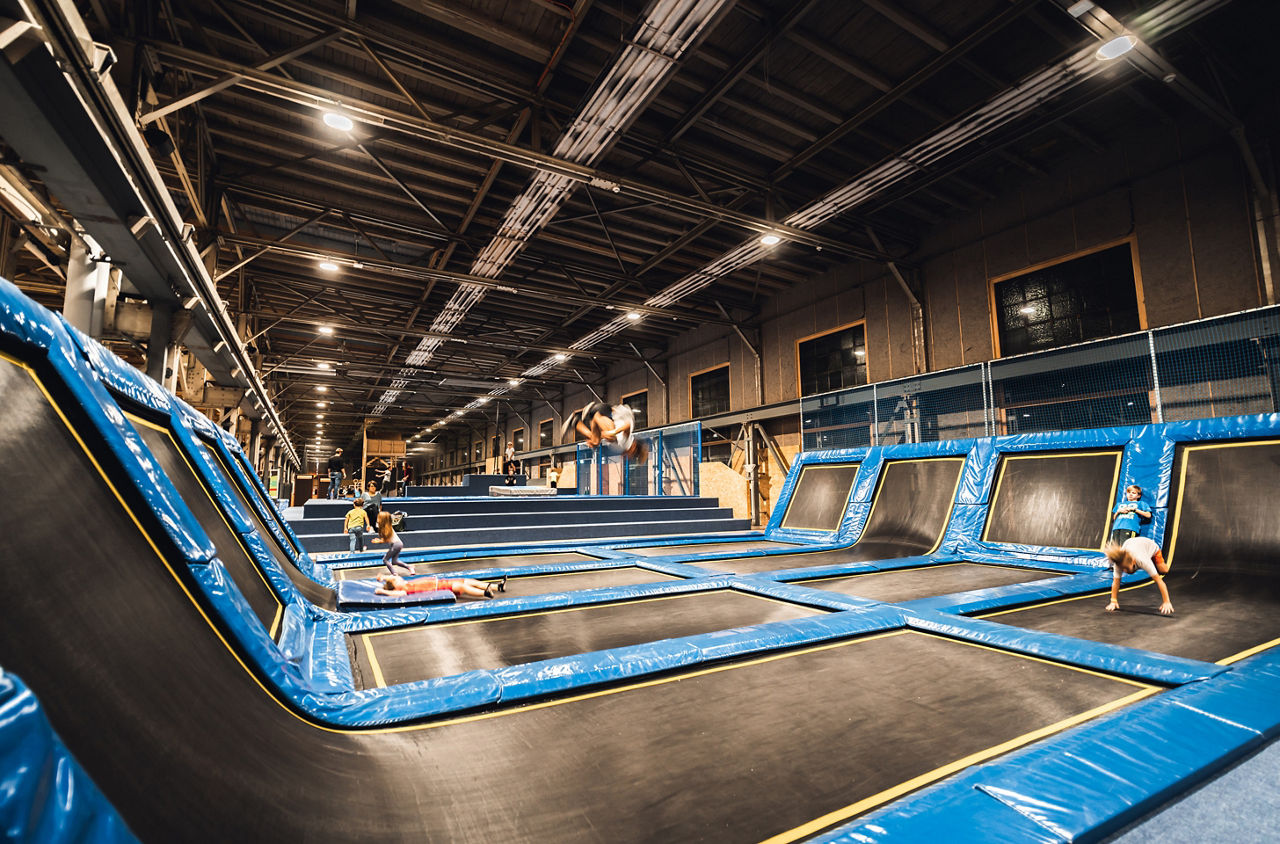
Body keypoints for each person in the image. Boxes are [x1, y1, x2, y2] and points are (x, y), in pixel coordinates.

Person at [1104, 535, 1173, 615]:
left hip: (1151, 547)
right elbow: (1116, 582)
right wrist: (1113, 601)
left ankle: (1156, 563)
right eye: (1123, 569)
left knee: (1163, 570)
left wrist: (1166, 601)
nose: (1125, 571)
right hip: (1132, 543)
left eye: (1126, 568)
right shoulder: (1118, 564)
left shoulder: (1142, 560)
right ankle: (1151, 566)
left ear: (1133, 561)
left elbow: (1160, 582)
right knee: (1122, 572)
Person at [563, 401, 649, 462]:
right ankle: (592, 411)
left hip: (597, 417)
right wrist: (613, 432)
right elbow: (627, 426)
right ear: (633, 449)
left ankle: (574, 423)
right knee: (611, 437)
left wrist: (594, 440)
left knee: (595, 441)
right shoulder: (627, 442)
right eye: (631, 457)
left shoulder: (621, 448)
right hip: (603, 411)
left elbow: (603, 435)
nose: (628, 458)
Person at [375, 572, 507, 600]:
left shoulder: (405, 583)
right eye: (396, 581)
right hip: (442, 588)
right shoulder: (405, 590)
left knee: (468, 581)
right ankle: (485, 593)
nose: (398, 578)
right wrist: (383, 591)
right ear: (397, 587)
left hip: (442, 582)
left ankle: (497, 587)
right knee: (463, 587)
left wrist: (383, 578)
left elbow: (394, 577)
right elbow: (398, 593)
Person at [371, 510, 414, 576]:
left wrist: (379, 541)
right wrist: (379, 540)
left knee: (385, 560)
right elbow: (387, 539)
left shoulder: (386, 528)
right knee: (394, 561)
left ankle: (394, 573)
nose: (377, 519)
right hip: (398, 544)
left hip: (396, 544)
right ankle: (409, 567)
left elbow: (387, 540)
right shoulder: (386, 527)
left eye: (378, 518)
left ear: (382, 520)